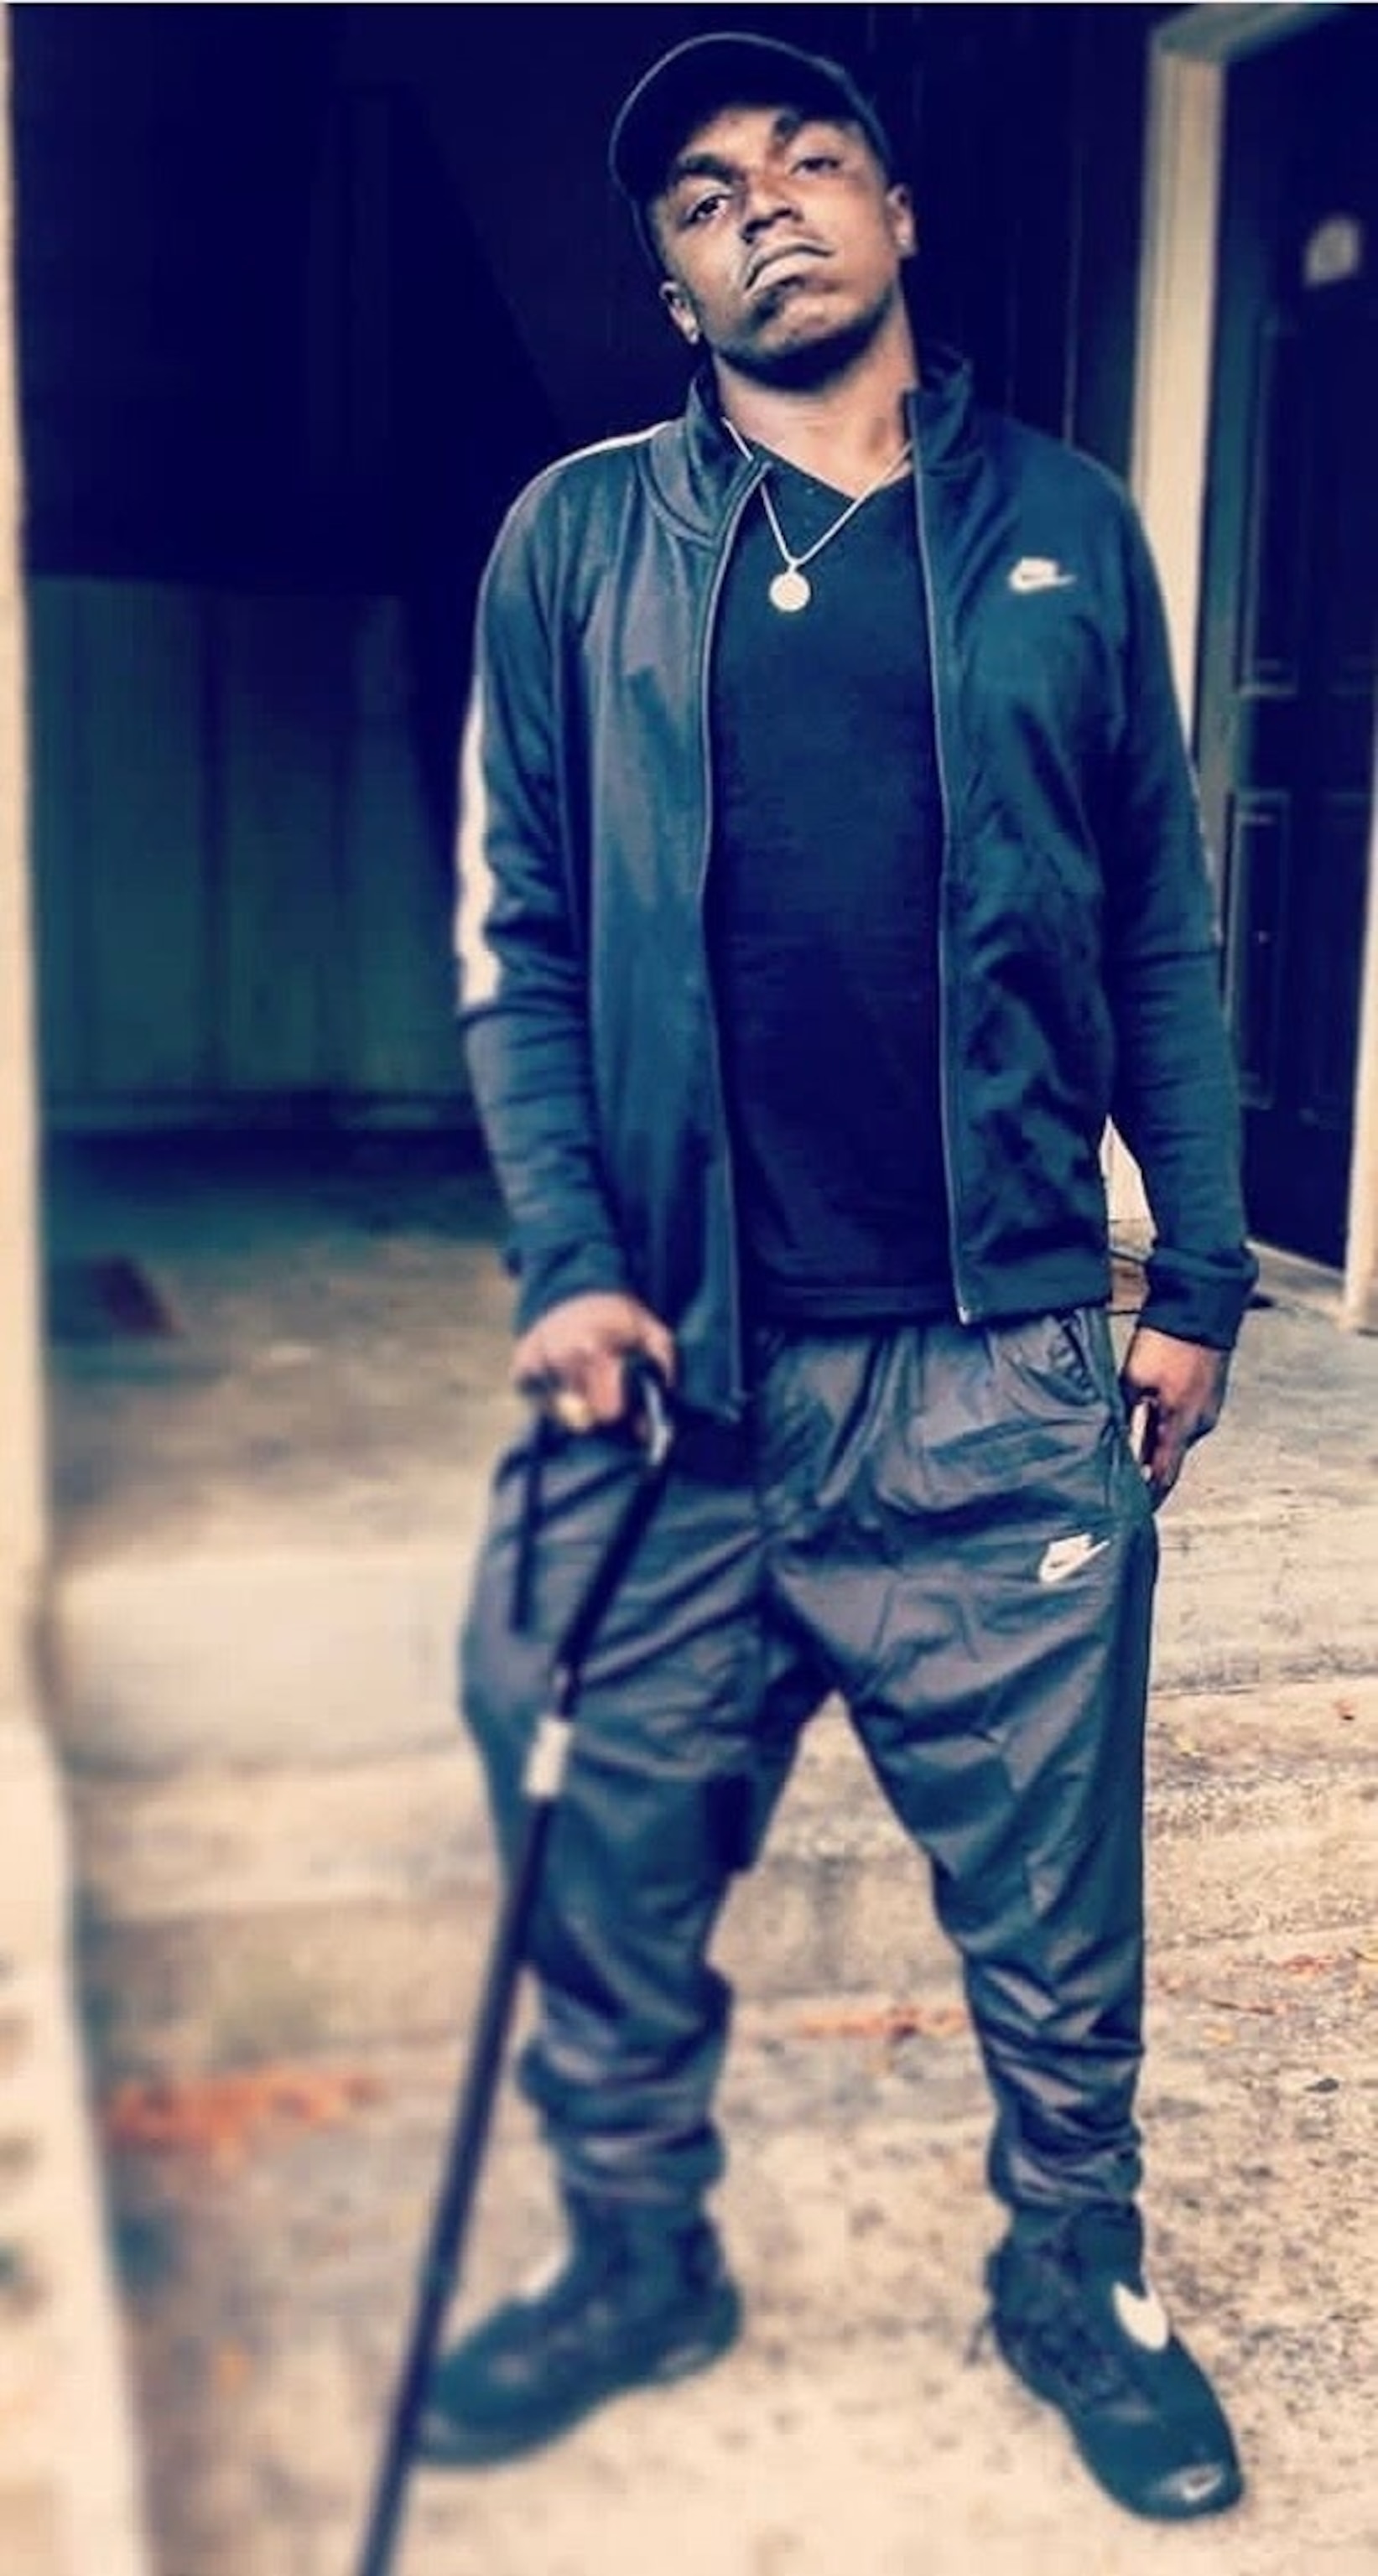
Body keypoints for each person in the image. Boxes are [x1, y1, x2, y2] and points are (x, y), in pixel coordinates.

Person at [419, 29, 1256, 2524]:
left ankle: (1075, 2272)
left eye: (807, 161)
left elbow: (1158, 923)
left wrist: (1197, 1270)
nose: (762, 206)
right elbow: (519, 936)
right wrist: (571, 1264)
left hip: (991, 1371)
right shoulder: (574, 545)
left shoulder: (1063, 532)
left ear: (895, 213)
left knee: (1055, 1901)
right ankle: (635, 2252)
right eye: (702, 195)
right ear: (672, 284)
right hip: (673, 1377)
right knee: (582, 1809)